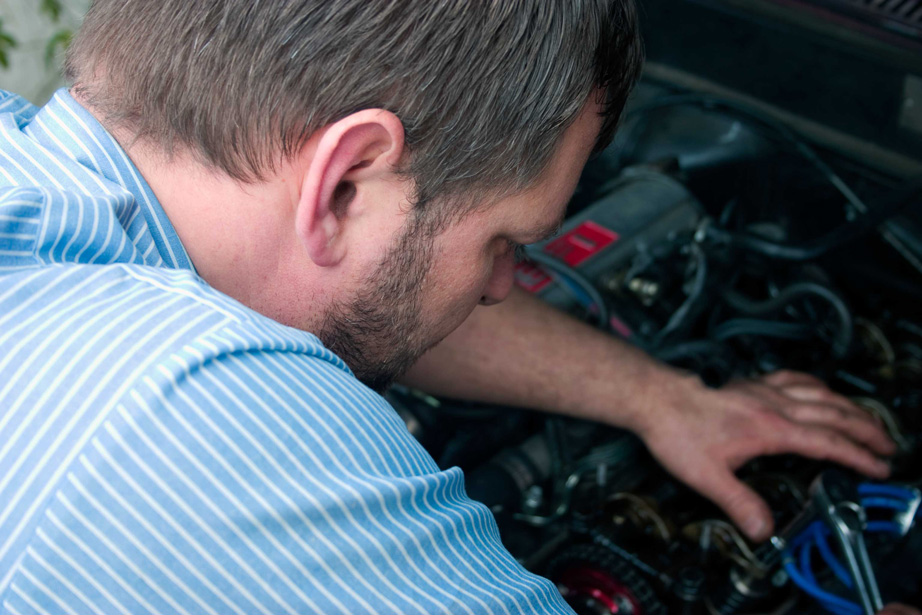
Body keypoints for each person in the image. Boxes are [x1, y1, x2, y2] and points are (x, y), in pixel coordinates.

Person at [0, 1, 911, 613]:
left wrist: (660, 397)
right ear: (348, 180)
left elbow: (325, 279)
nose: (501, 284)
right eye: (505, 241)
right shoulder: (194, 420)